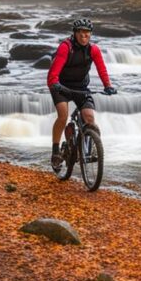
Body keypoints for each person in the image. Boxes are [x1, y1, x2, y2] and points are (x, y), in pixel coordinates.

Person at [46, 18, 116, 170]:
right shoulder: (66, 47)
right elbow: (54, 71)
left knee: (89, 117)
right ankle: (56, 152)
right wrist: (54, 83)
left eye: (87, 33)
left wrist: (108, 86)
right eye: (81, 33)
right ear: (75, 33)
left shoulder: (93, 50)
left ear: (90, 34)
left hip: (81, 86)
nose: (84, 36)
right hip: (61, 86)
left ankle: (89, 149)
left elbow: (101, 69)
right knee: (63, 115)